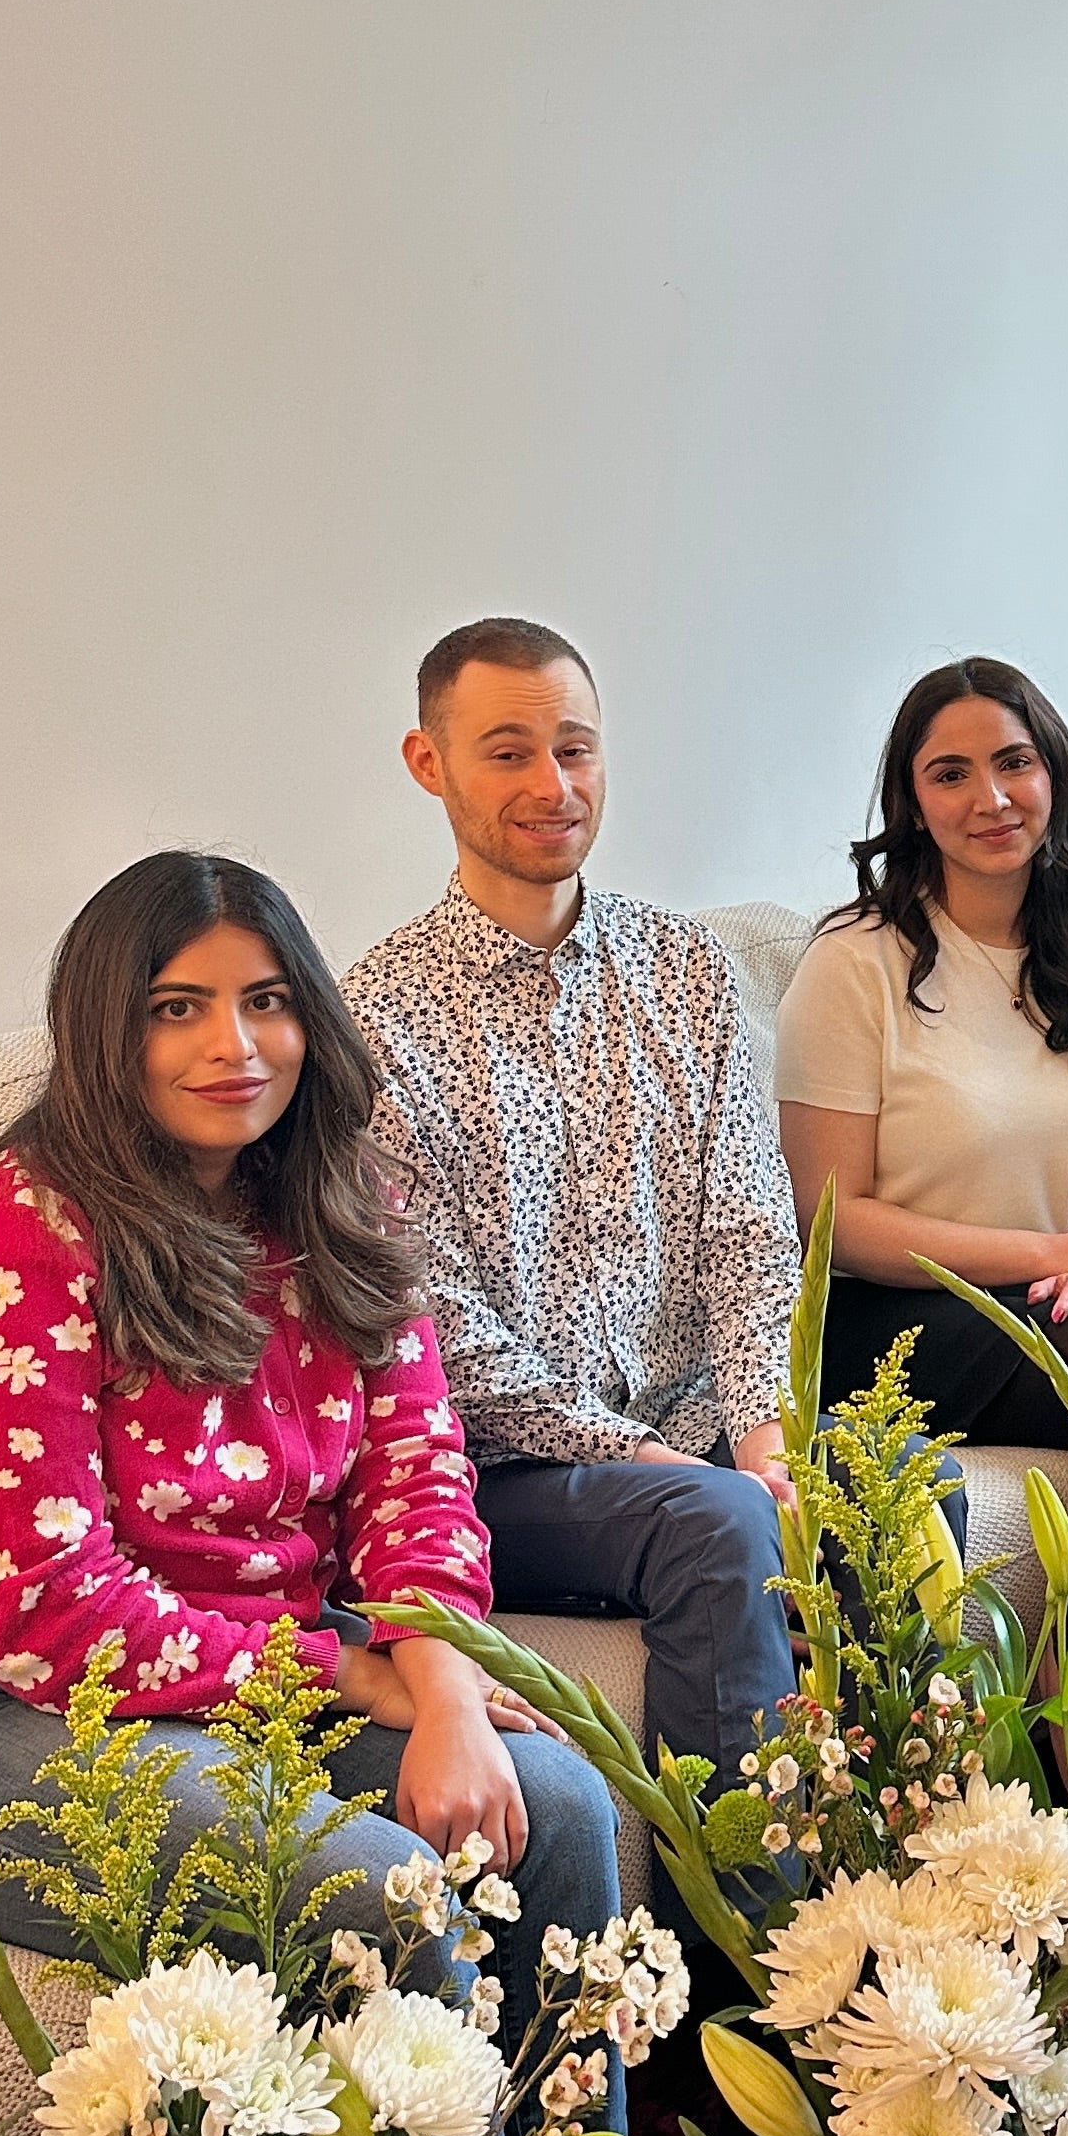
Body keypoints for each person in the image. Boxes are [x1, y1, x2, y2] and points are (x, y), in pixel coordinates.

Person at [0, 852, 668, 2136]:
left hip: (239, 1668)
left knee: (548, 1797)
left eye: (265, 999)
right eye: (177, 1006)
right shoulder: (13, 1241)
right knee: (376, 1889)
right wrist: (359, 1676)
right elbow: (52, 1611)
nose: (233, 1042)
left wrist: (459, 1690)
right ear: (101, 1031)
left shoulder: (337, 1202)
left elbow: (420, 1478)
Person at [345, 618, 797, 1808]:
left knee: (903, 1494)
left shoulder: (687, 970)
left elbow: (752, 1231)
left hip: (702, 1429)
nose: (553, 786)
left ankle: (920, 1893)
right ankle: (755, 1956)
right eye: (508, 753)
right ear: (427, 763)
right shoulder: (373, 1022)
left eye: (576, 749)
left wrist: (766, 1435)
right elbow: (428, 1318)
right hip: (516, 1475)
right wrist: (643, 1454)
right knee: (714, 1526)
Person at [777, 659, 1068, 1448]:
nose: (992, 799)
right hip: (891, 1315)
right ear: (913, 805)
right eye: (951, 775)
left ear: (1054, 775)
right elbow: (830, 1219)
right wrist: (1055, 1252)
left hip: (1044, 1290)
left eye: (1015, 762)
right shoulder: (851, 962)